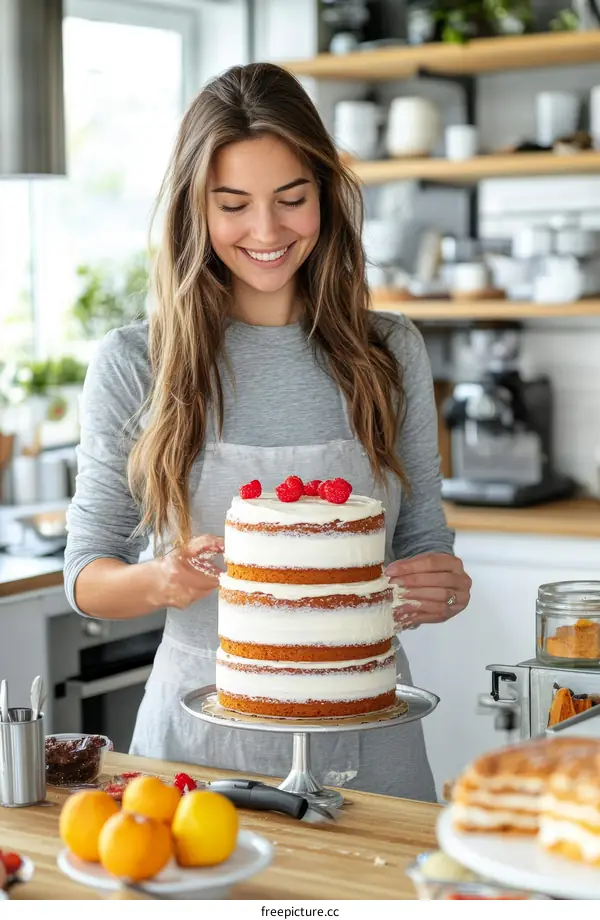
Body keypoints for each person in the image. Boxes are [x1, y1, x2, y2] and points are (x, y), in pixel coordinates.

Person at [64, 62, 471, 801]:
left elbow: (422, 543)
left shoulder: (389, 351)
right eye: (233, 205)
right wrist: (160, 580)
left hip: (370, 746)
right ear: (195, 210)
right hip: (200, 748)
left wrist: (443, 584)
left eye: (292, 199)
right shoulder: (137, 363)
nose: (266, 231)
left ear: (325, 196)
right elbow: (86, 575)